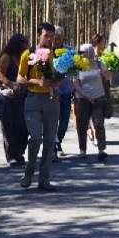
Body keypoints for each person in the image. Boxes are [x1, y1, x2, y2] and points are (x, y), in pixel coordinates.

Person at [17, 22, 60, 191]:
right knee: (35, 138)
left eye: (51, 36)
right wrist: (36, 81)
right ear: (38, 35)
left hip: (52, 99)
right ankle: (29, 172)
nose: (49, 39)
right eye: (45, 36)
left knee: (50, 141)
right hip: (33, 98)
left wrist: (56, 81)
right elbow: (19, 79)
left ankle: (44, 179)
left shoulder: (56, 55)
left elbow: (62, 75)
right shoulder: (28, 54)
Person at [0, 33, 29, 167]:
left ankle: (20, 152)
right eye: (24, 43)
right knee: (9, 126)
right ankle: (12, 156)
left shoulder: (24, 57)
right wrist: (11, 84)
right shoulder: (6, 57)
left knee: (23, 126)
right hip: (9, 97)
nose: (26, 46)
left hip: (23, 96)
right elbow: (0, 74)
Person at [73, 44, 111, 161]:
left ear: (90, 52)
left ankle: (101, 150)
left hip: (98, 98)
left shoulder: (99, 64)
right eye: (80, 52)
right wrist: (86, 96)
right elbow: (75, 83)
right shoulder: (77, 67)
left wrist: (106, 72)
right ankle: (82, 150)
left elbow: (109, 77)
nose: (81, 54)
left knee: (99, 123)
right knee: (81, 125)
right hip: (82, 99)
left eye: (83, 52)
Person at [53, 26, 74, 161]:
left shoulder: (69, 51)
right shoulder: (46, 51)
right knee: (52, 121)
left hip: (66, 91)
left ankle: (58, 141)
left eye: (59, 38)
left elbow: (75, 70)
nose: (57, 41)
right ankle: (53, 146)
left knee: (64, 121)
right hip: (51, 92)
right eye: (55, 38)